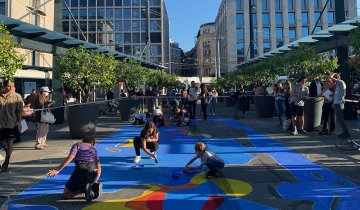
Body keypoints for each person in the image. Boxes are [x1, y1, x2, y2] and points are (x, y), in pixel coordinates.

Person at [46, 136, 102, 203]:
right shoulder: (94, 149)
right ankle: (91, 187)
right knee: (85, 181)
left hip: (82, 169)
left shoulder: (78, 145)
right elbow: (98, 166)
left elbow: (71, 157)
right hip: (93, 171)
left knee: (67, 194)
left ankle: (83, 190)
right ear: (93, 143)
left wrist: (58, 169)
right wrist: (95, 180)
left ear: (83, 141)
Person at [0, 80, 23, 167]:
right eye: (9, 86)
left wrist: (19, 122)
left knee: (9, 141)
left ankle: (7, 160)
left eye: (12, 86)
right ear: (5, 86)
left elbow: (19, 111)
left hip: (11, 123)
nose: (10, 88)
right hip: (0, 123)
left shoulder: (17, 97)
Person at [330, 73, 351, 138]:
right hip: (337, 103)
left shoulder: (340, 82)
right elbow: (338, 94)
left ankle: (346, 132)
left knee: (340, 118)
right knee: (339, 118)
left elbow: (331, 77)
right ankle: (345, 131)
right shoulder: (338, 85)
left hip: (339, 103)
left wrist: (333, 74)